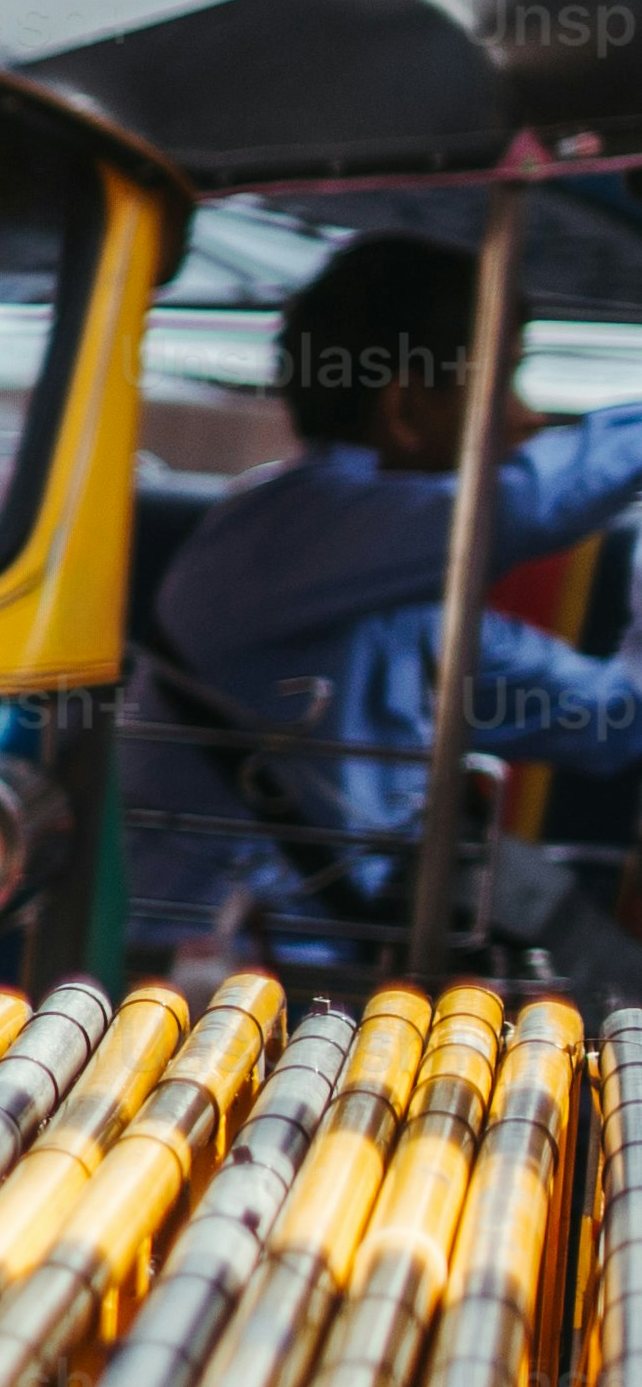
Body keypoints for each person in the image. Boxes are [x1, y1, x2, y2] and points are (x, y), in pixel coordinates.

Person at [140, 227, 642, 935]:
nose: (526, 420)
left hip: (337, 988)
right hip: (183, 994)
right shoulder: (283, 535)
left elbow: (609, 722)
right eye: (502, 383)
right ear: (405, 412)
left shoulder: (408, 599)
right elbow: (522, 506)